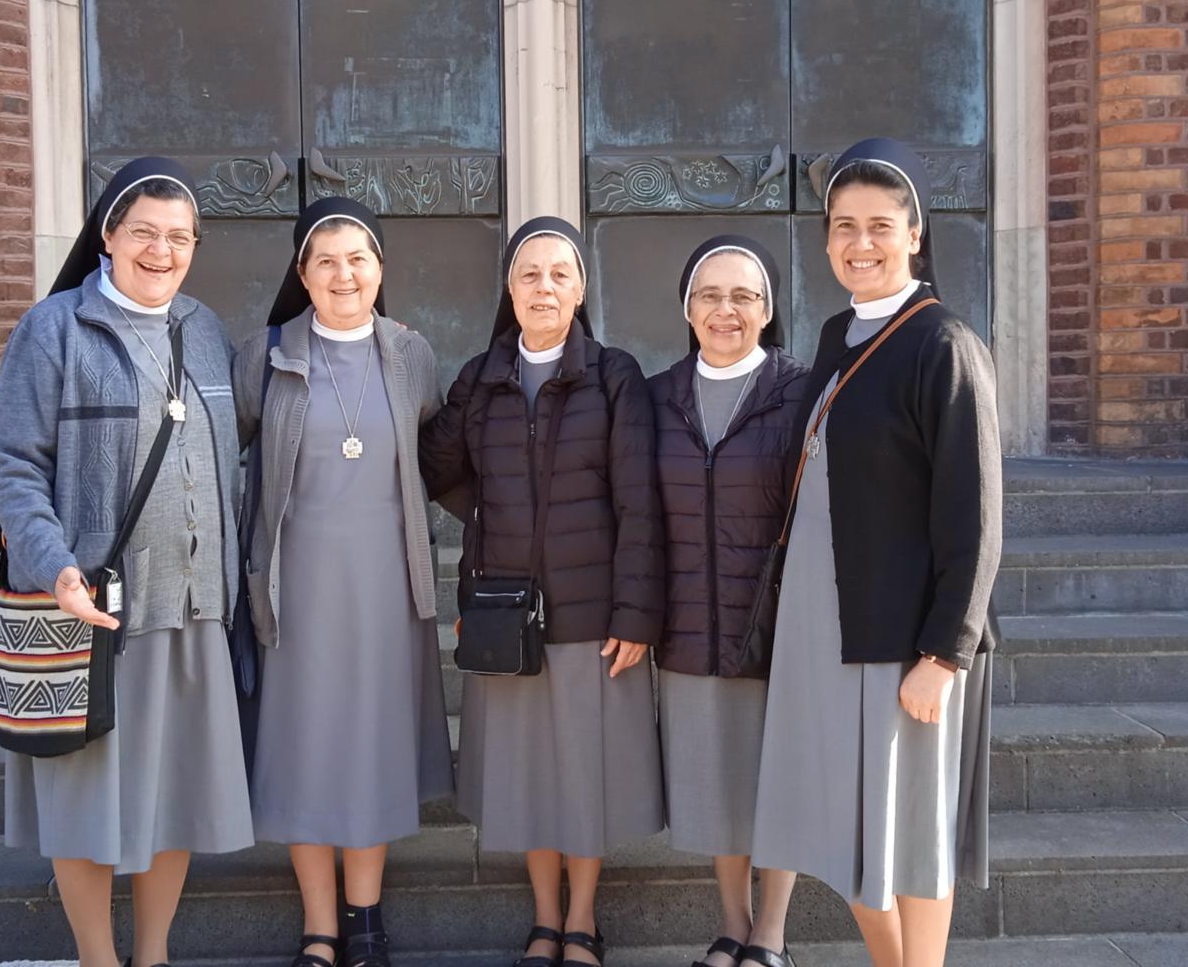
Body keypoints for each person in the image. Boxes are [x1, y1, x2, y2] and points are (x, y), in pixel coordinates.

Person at [0, 156, 253, 967]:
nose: (161, 251)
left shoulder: (205, 332)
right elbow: (13, 462)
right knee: (87, 805)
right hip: (96, 612)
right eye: (144, 232)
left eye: (179, 237)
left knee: (175, 798)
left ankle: (156, 953)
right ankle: (99, 958)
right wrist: (52, 563)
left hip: (193, 609)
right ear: (108, 234)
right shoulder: (55, 328)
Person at [746, 139, 999, 967]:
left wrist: (944, 652)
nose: (861, 242)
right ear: (825, 239)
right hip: (829, 628)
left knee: (914, 841)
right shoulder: (833, 335)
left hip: (907, 640)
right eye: (844, 226)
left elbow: (976, 516)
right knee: (851, 837)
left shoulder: (943, 345)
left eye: (880, 226)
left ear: (915, 235)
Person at [419, 217, 665, 967]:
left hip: (593, 615)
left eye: (560, 275)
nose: (544, 288)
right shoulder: (480, 377)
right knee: (527, 776)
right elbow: (436, 468)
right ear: (509, 288)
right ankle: (544, 918)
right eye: (530, 275)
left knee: (582, 776)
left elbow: (638, 502)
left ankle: (583, 921)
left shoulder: (614, 375)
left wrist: (635, 610)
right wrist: (491, 514)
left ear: (581, 289)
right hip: (505, 615)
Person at [233, 198, 455, 967]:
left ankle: (365, 919)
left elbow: (437, 447)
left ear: (381, 269)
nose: (343, 273)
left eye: (358, 257)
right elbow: (230, 451)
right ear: (301, 273)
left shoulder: (412, 354)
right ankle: (320, 928)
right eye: (325, 260)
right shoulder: (266, 355)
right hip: (296, 587)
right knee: (304, 748)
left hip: (387, 586)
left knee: (371, 747)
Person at [648, 237, 810, 967]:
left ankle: (772, 932)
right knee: (714, 778)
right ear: (687, 307)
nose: (726, 311)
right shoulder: (657, 396)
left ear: (767, 309)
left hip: (774, 620)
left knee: (777, 780)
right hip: (688, 619)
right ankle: (732, 924)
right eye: (710, 296)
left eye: (743, 297)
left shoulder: (802, 391)